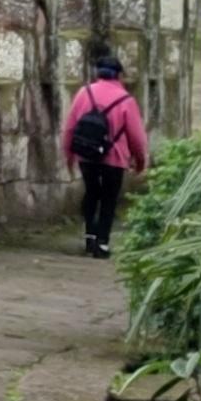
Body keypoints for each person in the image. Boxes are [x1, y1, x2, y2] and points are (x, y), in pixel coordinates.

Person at [61, 49, 149, 257]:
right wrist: (140, 160)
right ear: (119, 75)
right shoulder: (125, 100)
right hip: (114, 157)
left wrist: (69, 155)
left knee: (92, 192)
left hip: (87, 154)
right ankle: (102, 243)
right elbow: (136, 135)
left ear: (98, 73)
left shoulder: (84, 93)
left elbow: (70, 127)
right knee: (109, 199)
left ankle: (89, 236)